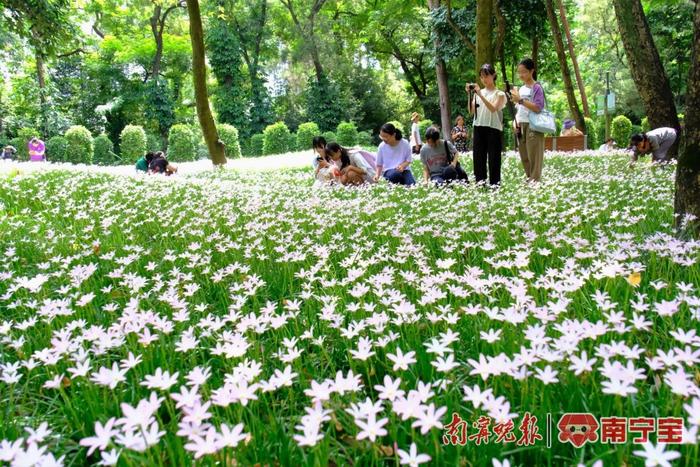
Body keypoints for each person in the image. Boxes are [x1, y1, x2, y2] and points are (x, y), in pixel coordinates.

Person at [468, 63, 506, 186]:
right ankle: (480, 183)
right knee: (478, 157)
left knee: (494, 158)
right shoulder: (478, 93)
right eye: (482, 77)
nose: (484, 79)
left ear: (493, 75)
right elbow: (471, 111)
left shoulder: (499, 94)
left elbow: (493, 108)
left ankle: (495, 185)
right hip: (478, 126)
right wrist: (469, 94)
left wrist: (480, 95)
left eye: (486, 76)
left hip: (493, 128)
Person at [509, 58, 546, 182]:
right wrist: (515, 123)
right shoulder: (521, 89)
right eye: (519, 72)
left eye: (524, 72)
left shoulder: (537, 87)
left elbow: (538, 107)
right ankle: (530, 179)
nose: (521, 75)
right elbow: (519, 110)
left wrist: (520, 100)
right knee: (524, 155)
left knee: (534, 155)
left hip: (533, 125)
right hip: (521, 125)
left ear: (531, 71)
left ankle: (535, 181)